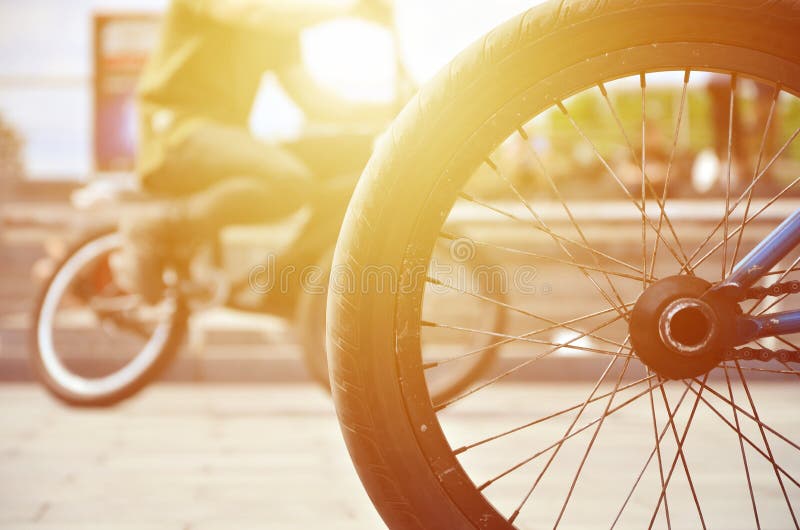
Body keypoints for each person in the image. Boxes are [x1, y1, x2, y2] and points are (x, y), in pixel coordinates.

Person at [112, 0, 396, 309]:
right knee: (288, 179)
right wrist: (352, 8)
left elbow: (311, 100)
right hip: (176, 132)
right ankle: (159, 226)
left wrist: (389, 111)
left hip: (227, 140)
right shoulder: (258, 13)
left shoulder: (277, 27)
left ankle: (291, 282)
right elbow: (254, 12)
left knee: (352, 158)